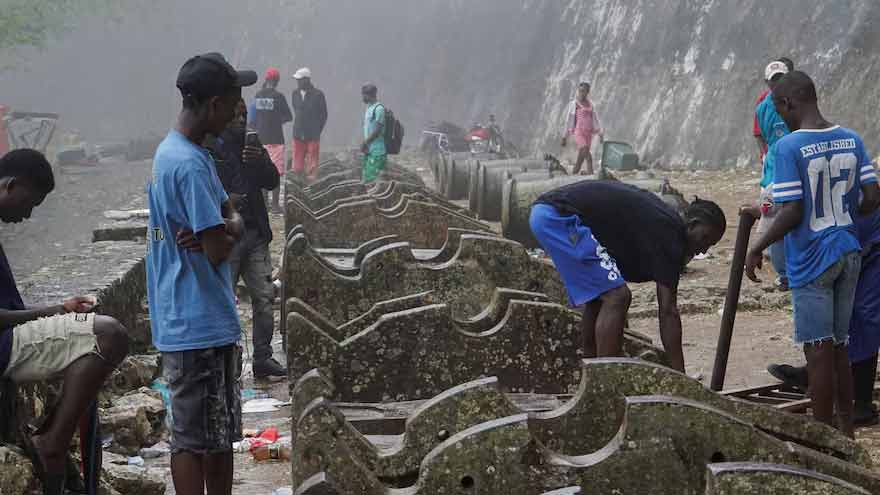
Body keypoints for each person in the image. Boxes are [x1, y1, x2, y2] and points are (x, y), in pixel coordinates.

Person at [745, 71, 880, 437]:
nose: (780, 119)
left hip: (812, 260)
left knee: (817, 351)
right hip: (849, 252)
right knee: (839, 346)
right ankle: (847, 431)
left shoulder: (788, 148)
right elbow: (872, 197)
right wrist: (846, 216)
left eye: (779, 110)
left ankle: (822, 439)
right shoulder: (851, 139)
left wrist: (755, 247)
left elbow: (791, 211)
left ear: (789, 103)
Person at [146, 52, 255, 495]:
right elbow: (216, 250)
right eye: (232, 103)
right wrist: (227, 230)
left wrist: (227, 224)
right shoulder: (189, 165)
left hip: (194, 316)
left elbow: (230, 216)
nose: (234, 114)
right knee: (194, 441)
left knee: (216, 436)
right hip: (197, 322)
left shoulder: (183, 152)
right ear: (213, 104)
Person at [0, 149, 129, 495]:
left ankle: (54, 441)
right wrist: (57, 310)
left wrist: (61, 308)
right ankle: (52, 442)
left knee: (90, 350)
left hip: (10, 337)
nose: (28, 215)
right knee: (110, 335)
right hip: (4, 344)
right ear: (10, 186)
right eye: (30, 203)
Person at [530, 181, 727, 372]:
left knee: (600, 297)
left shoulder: (666, 224)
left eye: (711, 245)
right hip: (559, 217)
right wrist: (681, 376)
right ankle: (608, 379)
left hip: (547, 213)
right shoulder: (670, 235)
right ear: (692, 225)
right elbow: (668, 311)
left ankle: (591, 371)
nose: (703, 249)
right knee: (618, 297)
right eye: (705, 239)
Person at [206, 99, 285, 379]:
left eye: (243, 116)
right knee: (226, 301)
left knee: (264, 297)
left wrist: (260, 161)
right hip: (227, 237)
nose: (241, 121)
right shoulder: (210, 148)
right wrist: (228, 203)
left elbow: (272, 180)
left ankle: (263, 357)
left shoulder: (251, 144)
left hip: (255, 234)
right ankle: (231, 359)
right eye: (236, 116)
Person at [749, 60, 793, 289]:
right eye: (774, 80)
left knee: (787, 218)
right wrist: (766, 156)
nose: (778, 84)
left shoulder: (795, 101)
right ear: (768, 83)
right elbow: (762, 136)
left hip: (786, 165)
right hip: (776, 169)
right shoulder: (764, 107)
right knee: (775, 220)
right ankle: (785, 274)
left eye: (781, 79)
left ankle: (789, 272)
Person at [252, 67, 292, 213]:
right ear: (277, 81)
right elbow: (288, 116)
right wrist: (277, 120)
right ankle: (275, 205)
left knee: (262, 170)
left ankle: (264, 204)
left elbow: (253, 119)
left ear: (266, 80)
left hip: (261, 139)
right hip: (276, 139)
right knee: (276, 171)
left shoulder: (258, 96)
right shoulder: (279, 97)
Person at [290, 67, 328, 182]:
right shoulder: (295, 94)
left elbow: (323, 115)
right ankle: (298, 182)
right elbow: (296, 111)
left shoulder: (318, 94)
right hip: (298, 133)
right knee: (297, 163)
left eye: (299, 79)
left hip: (313, 134)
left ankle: (311, 185)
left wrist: (317, 129)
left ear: (307, 80)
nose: (297, 82)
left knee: (312, 162)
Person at [562, 82, 604, 175]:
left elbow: (595, 120)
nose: (581, 93)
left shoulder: (591, 104)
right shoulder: (574, 104)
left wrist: (600, 133)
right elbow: (568, 121)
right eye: (580, 91)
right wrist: (564, 137)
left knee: (580, 159)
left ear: (587, 92)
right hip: (579, 132)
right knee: (588, 157)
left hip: (588, 134)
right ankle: (592, 179)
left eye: (583, 91)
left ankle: (573, 174)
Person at [361, 83, 387, 183]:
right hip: (369, 150)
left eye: (363, 95)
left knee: (371, 181)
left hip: (377, 152)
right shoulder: (368, 108)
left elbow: (377, 130)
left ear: (369, 95)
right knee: (366, 179)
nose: (362, 97)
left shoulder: (379, 109)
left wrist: (365, 143)